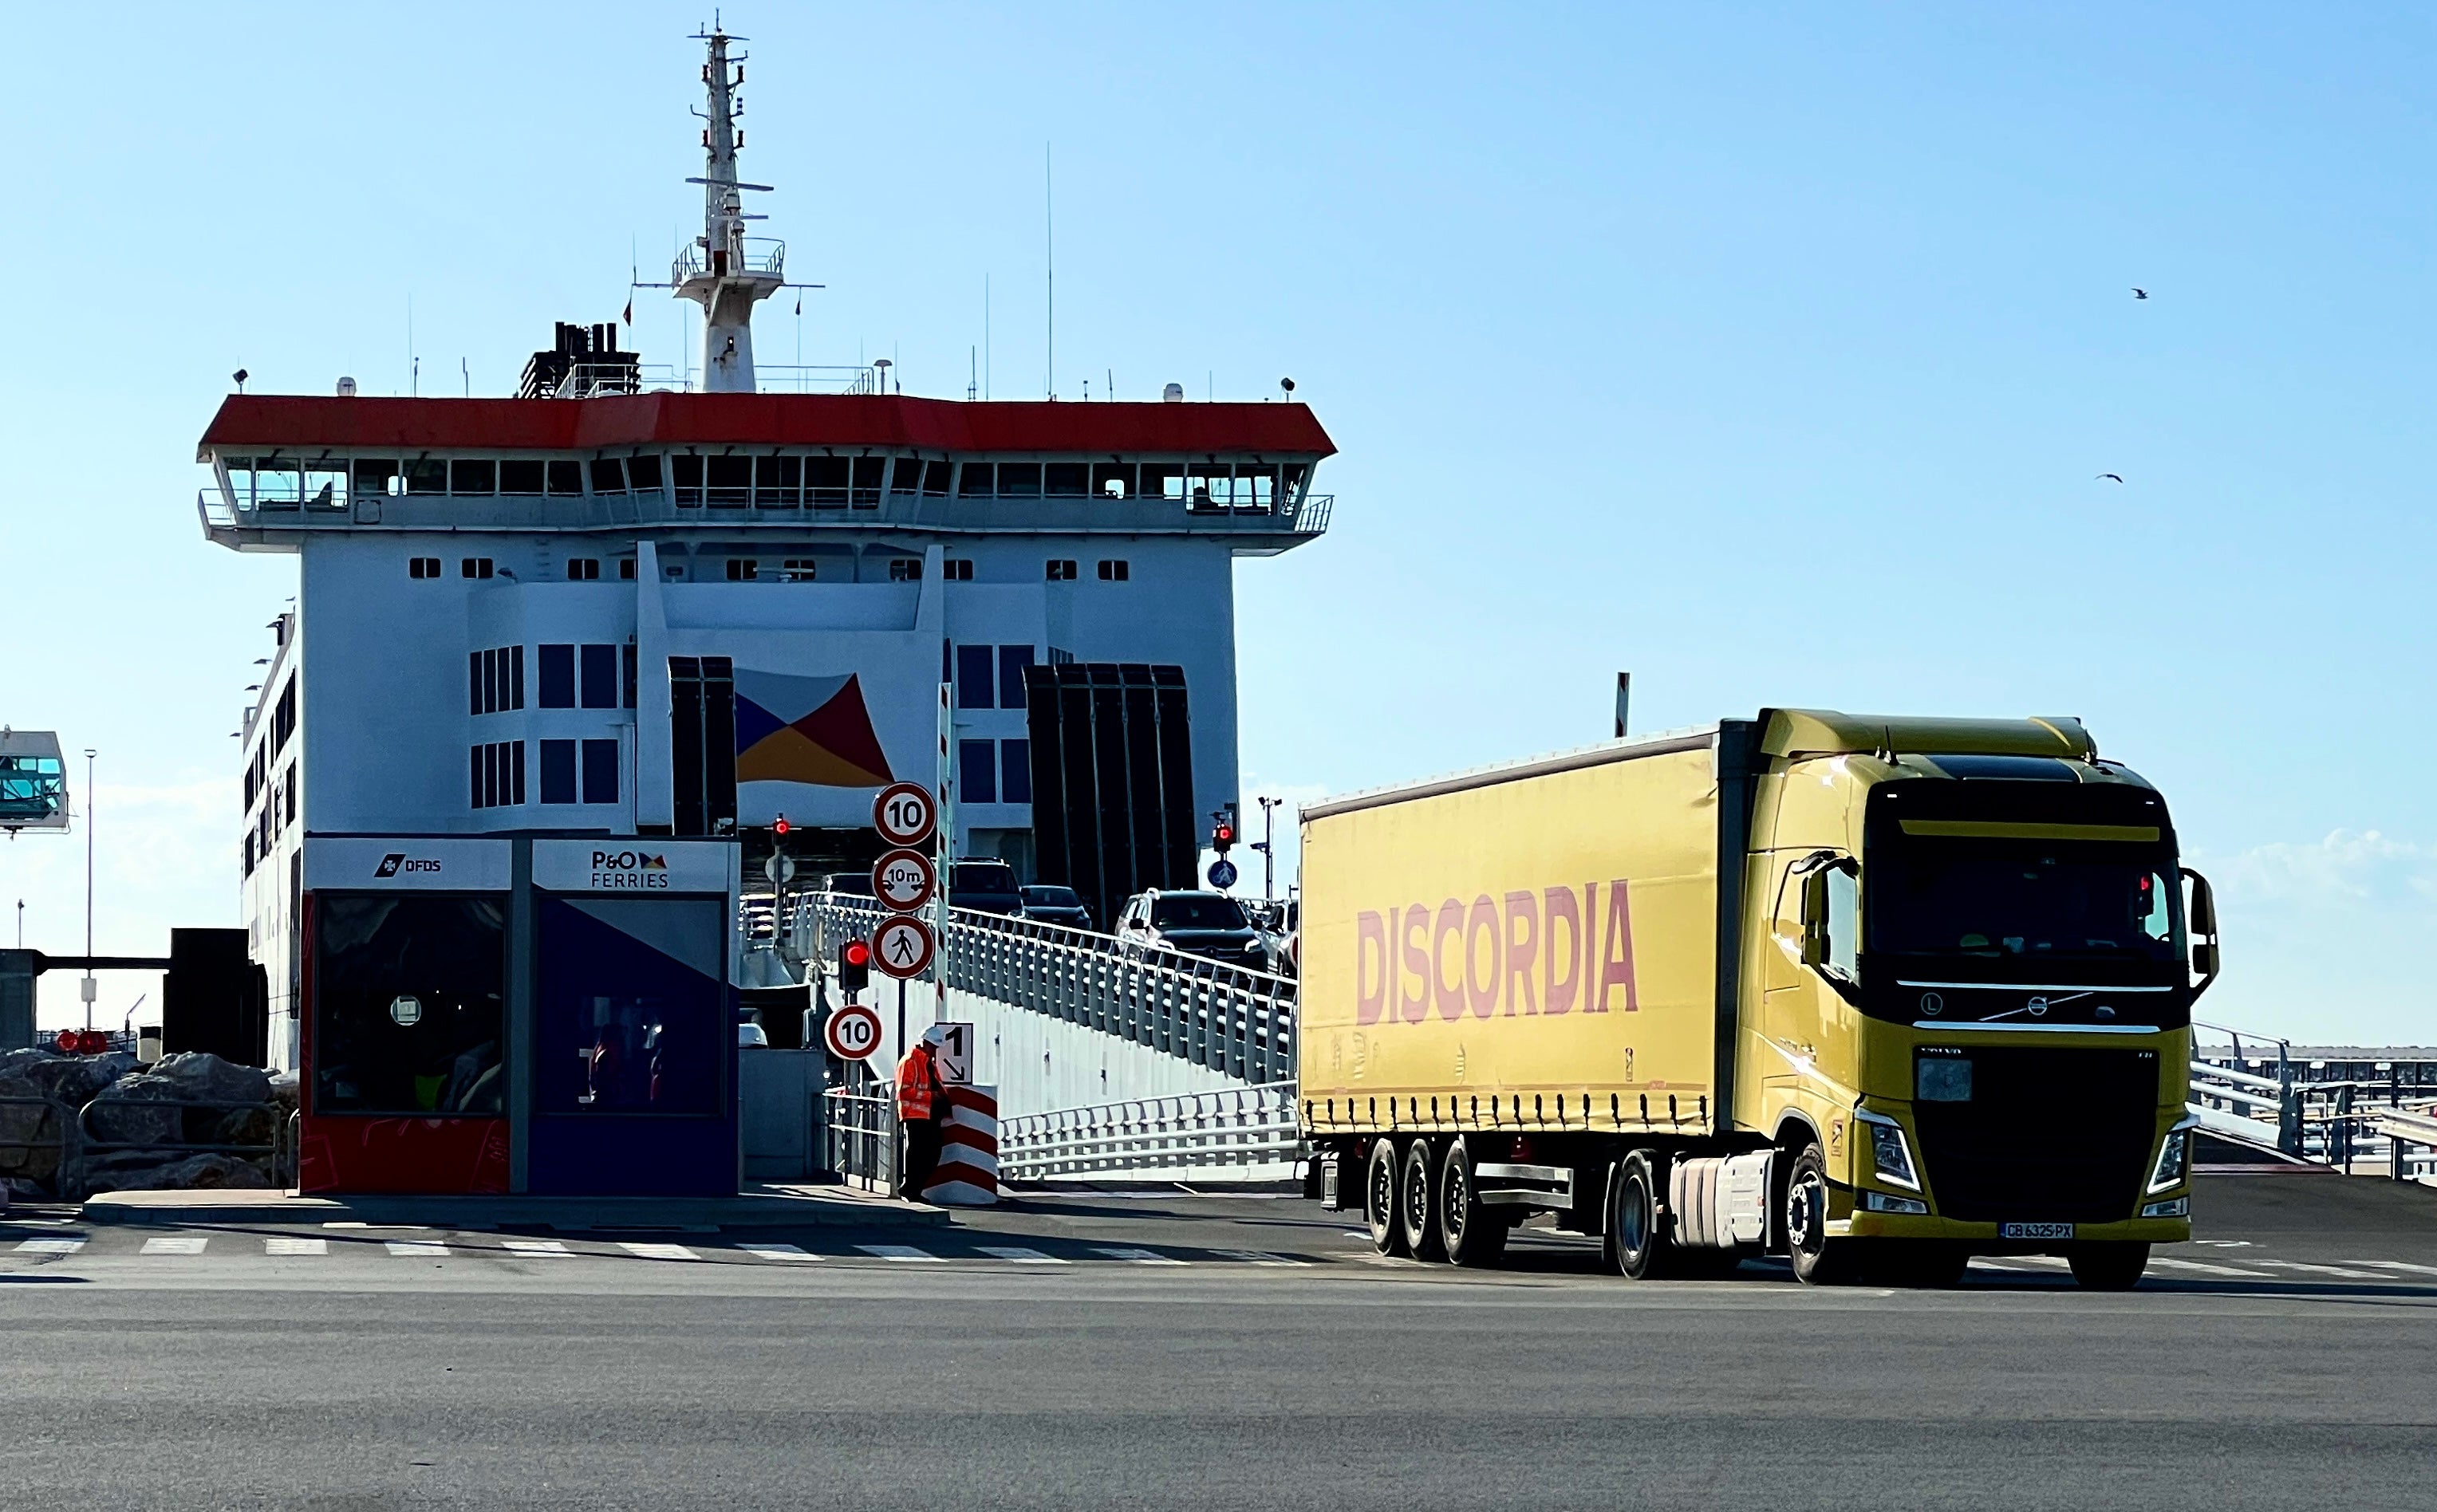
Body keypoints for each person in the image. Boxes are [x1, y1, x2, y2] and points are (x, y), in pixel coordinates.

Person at [895, 1024, 949, 1199]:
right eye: (933, 1046)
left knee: (931, 1154)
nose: (935, 1050)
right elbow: (903, 1091)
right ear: (924, 1043)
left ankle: (913, 1189)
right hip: (915, 1116)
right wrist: (930, 1096)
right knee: (919, 1155)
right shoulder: (910, 1061)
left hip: (929, 1116)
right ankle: (911, 1189)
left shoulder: (927, 1062)